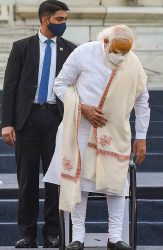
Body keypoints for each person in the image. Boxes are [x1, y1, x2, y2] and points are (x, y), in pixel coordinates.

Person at [43, 24, 150, 250]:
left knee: (117, 183)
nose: (121, 57)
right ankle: (78, 237)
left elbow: (142, 100)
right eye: (117, 51)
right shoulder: (84, 53)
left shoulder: (133, 62)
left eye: (125, 52)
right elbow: (60, 85)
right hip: (82, 127)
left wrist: (141, 136)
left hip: (115, 131)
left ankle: (115, 237)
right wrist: (82, 108)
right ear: (105, 43)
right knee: (80, 183)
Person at [1, 0, 76, 247]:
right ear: (45, 19)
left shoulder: (70, 49)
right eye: (60, 20)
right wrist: (7, 123)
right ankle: (27, 233)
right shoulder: (22, 47)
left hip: (56, 119)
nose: (64, 24)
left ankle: (53, 232)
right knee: (27, 179)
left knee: (55, 179)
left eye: (65, 19)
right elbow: (10, 87)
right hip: (27, 120)